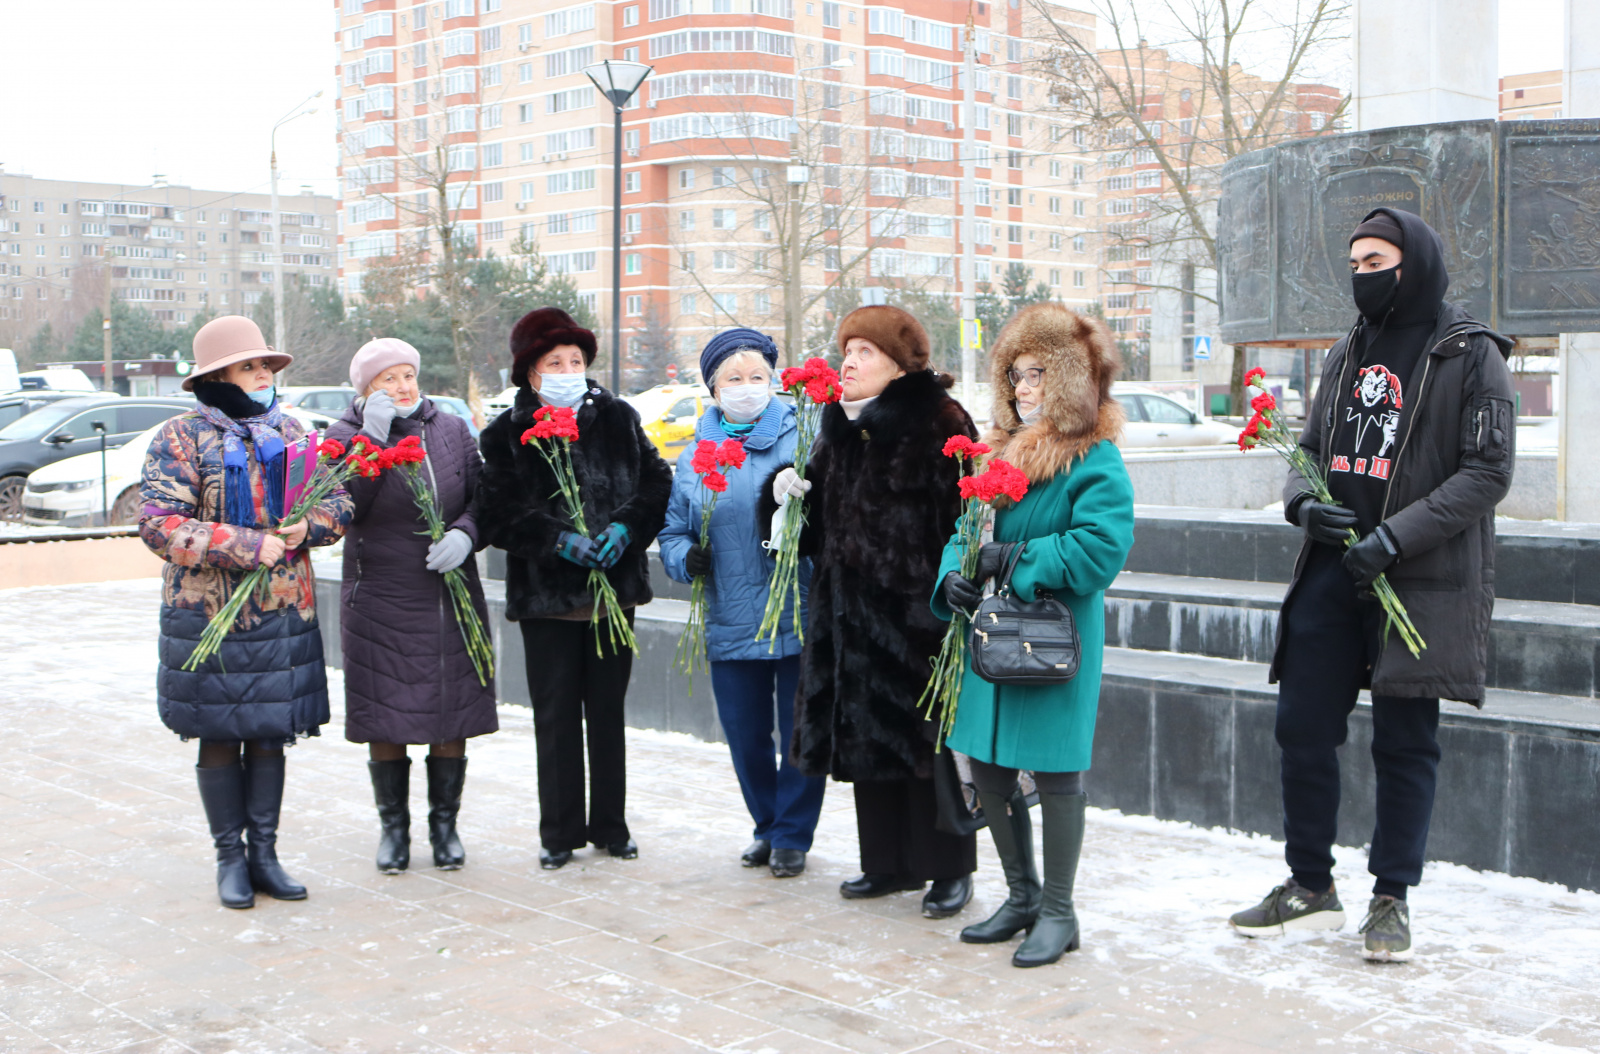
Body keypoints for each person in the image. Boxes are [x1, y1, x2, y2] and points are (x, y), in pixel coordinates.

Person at [1229, 207, 1516, 962]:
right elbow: (1312, 447)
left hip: (1417, 577)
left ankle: (1391, 898)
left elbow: (1487, 473)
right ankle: (1309, 885)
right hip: (1333, 568)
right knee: (1302, 727)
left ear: (1413, 260)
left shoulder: (1471, 354)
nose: (1363, 275)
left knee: (1405, 743)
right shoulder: (1346, 348)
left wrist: (1394, 537)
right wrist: (1302, 502)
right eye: (1354, 263)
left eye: (1376, 260)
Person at [932, 303, 1134, 967]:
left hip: (1052, 639)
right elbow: (962, 536)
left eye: (1039, 373)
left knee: (1055, 773)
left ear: (1073, 378)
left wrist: (1016, 562)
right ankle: (1021, 896)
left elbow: (1102, 548)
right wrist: (953, 579)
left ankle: (1058, 910)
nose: (1023, 388)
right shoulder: (994, 457)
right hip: (991, 636)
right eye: (1015, 375)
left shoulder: (1093, 459)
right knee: (988, 766)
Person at [772, 304, 979, 918]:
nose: (849, 362)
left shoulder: (941, 420)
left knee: (926, 752)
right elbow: (812, 526)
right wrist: (785, 500)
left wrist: (947, 595)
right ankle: (886, 864)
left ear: (898, 363)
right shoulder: (838, 427)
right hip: (848, 616)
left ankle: (948, 870)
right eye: (847, 350)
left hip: (918, 619)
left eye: (864, 352)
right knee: (866, 740)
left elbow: (966, 516)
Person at [139, 315, 352, 909]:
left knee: (268, 735)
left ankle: (265, 854)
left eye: (266, 366)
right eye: (250, 366)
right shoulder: (181, 437)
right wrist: (247, 544)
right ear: (217, 376)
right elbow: (159, 524)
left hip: (283, 611)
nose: (263, 376)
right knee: (219, 735)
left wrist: (311, 524)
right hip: (208, 616)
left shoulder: (291, 429)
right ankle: (229, 858)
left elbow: (336, 499)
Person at [474, 307, 672, 870]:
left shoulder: (617, 416)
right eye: (554, 362)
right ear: (531, 374)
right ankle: (559, 831)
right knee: (556, 714)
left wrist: (626, 528)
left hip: (616, 591)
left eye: (576, 360)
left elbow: (658, 480)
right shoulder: (507, 432)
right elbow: (497, 512)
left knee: (607, 711)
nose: (567, 369)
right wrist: (558, 540)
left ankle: (611, 824)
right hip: (548, 600)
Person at [324, 338, 498, 875]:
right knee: (387, 714)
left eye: (407, 375)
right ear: (366, 389)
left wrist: (468, 535)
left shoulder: (449, 429)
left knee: (450, 710)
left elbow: (484, 497)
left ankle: (444, 826)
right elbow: (345, 506)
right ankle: (393, 829)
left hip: (447, 592)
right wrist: (371, 442)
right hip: (381, 595)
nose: (402, 387)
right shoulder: (345, 435)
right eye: (387, 379)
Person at [659, 328, 825, 878]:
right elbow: (673, 531)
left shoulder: (805, 436)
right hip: (731, 614)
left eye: (758, 377)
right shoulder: (694, 455)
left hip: (796, 608)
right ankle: (766, 824)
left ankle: (792, 835)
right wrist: (686, 559)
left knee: (799, 731)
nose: (748, 387)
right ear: (712, 388)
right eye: (734, 378)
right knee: (746, 735)